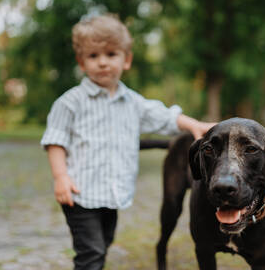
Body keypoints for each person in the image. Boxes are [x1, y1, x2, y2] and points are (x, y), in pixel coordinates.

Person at [40, 14, 214, 270]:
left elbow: (164, 116)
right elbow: (56, 140)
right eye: (93, 56)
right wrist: (60, 177)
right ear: (81, 62)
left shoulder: (132, 102)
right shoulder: (70, 102)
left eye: (111, 54)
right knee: (92, 252)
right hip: (80, 193)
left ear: (126, 60)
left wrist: (193, 125)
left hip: (113, 193)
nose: (102, 62)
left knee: (104, 242)